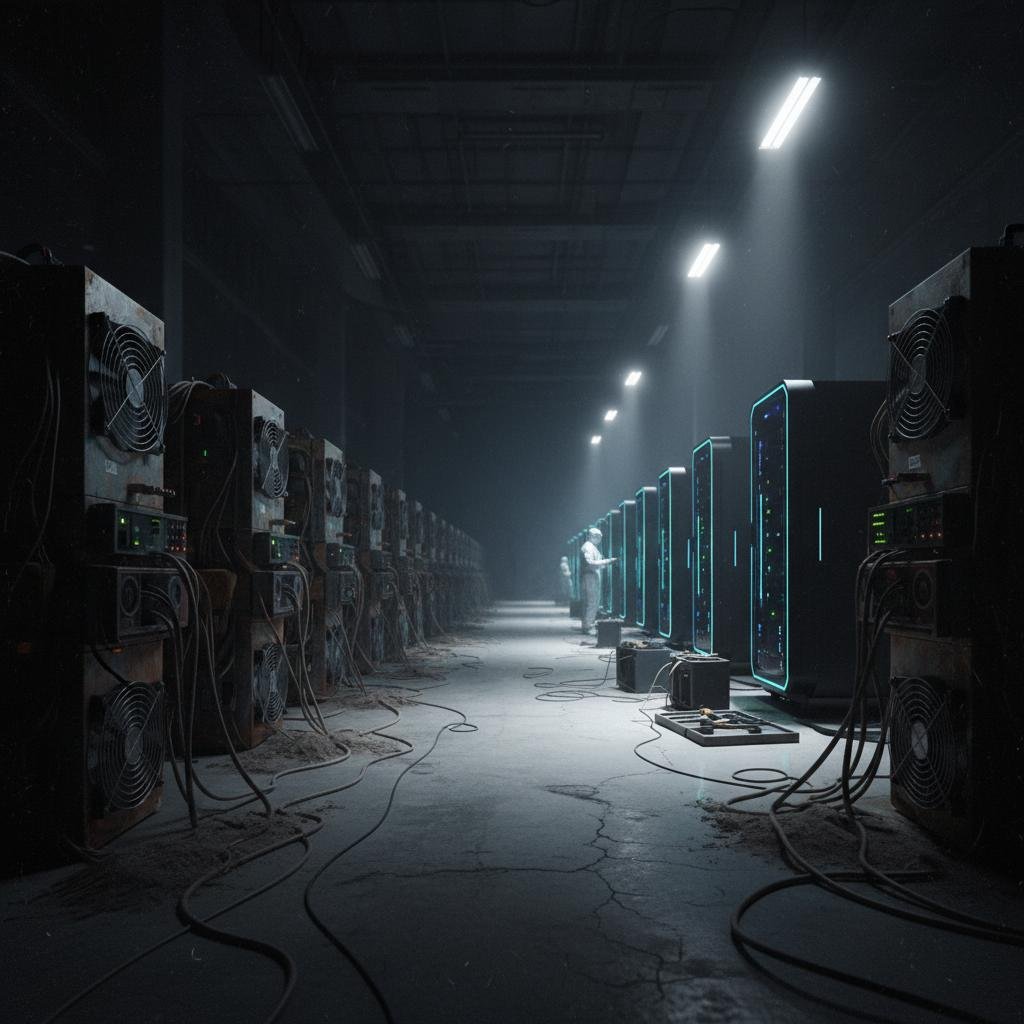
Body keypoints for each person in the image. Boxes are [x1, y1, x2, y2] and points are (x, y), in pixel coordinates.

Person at [579, 528, 615, 634]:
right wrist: (608, 561)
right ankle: (588, 626)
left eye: (600, 537)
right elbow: (590, 563)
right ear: (592, 536)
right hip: (590, 576)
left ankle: (587, 625)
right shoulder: (588, 547)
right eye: (598, 536)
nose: (599, 539)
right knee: (592, 602)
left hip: (592, 576)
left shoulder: (591, 547)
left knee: (591, 602)